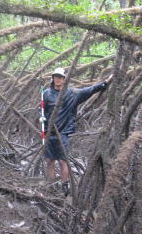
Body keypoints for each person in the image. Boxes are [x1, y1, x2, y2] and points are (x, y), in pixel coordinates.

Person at [40, 67, 113, 195]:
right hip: (47, 132)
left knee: (63, 161)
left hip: (62, 133)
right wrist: (40, 117)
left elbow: (89, 90)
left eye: (60, 77)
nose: (58, 79)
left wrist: (106, 82)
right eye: (56, 76)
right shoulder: (46, 93)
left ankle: (64, 186)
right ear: (52, 78)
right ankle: (51, 186)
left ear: (64, 79)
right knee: (49, 161)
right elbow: (40, 110)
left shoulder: (71, 93)